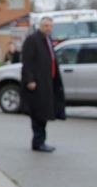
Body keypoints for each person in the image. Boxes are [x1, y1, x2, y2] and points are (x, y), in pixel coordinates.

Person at [20, 17, 65, 153]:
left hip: (47, 82)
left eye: (50, 26)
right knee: (38, 113)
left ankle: (41, 141)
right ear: (40, 26)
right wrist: (30, 80)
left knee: (45, 112)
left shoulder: (48, 40)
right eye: (45, 25)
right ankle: (38, 142)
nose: (48, 28)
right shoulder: (33, 40)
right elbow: (27, 62)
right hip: (37, 84)